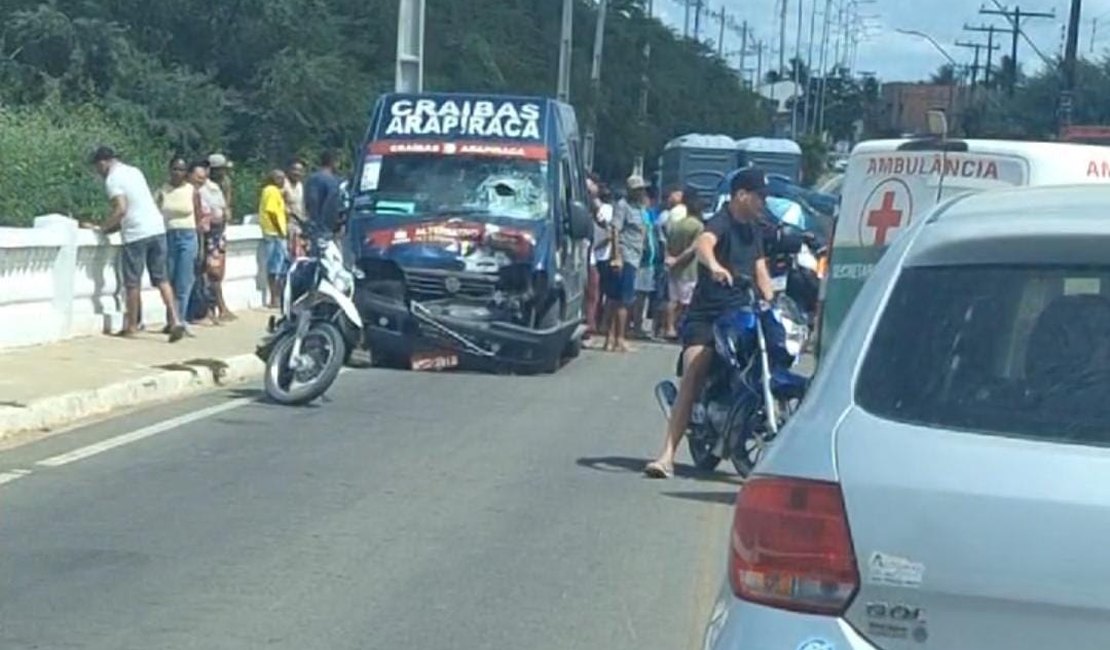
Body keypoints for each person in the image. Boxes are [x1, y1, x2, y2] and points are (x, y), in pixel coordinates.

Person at [644, 168, 776, 479]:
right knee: (695, 369)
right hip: (708, 316)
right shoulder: (721, 221)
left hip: (742, 314)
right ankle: (666, 456)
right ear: (742, 195)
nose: (763, 202)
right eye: (760, 196)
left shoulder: (753, 230)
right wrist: (715, 266)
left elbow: (760, 270)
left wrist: (771, 298)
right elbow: (704, 244)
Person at [87, 146, 186, 342]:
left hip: (136, 234)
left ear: (103, 162)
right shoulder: (134, 171)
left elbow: (121, 210)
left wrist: (102, 229)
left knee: (132, 282)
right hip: (157, 228)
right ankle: (175, 320)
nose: (98, 172)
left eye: (97, 167)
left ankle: (131, 325)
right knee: (162, 279)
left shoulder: (112, 180)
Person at [153, 156, 202, 333]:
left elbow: (198, 219)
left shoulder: (192, 191)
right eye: (174, 169)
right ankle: (171, 319)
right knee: (169, 279)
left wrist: (201, 247)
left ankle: (180, 320)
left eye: (181, 170)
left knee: (184, 280)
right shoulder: (162, 191)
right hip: (167, 236)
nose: (177, 173)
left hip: (188, 236)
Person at [602, 175, 647, 353]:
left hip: (635, 256)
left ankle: (611, 339)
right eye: (638, 189)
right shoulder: (623, 206)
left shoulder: (640, 208)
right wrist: (616, 256)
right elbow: (615, 230)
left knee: (617, 299)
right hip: (625, 256)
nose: (641, 192)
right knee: (622, 300)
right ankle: (619, 339)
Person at [663, 188, 704, 340]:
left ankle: (669, 327)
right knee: (687, 303)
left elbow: (667, 243)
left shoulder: (677, 224)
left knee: (673, 300)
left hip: (674, 268)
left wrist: (671, 259)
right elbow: (693, 248)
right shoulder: (698, 226)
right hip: (689, 269)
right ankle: (681, 328)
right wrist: (678, 259)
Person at [198, 160, 236, 322]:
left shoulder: (219, 186)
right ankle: (212, 308)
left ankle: (216, 307)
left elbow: (225, 209)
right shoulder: (205, 188)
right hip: (209, 234)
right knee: (210, 271)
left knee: (215, 272)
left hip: (217, 233)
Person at [259, 169, 289, 308]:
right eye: (279, 178)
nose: (283, 180)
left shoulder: (272, 191)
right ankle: (274, 298)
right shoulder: (271, 191)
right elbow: (271, 212)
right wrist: (279, 230)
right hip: (273, 233)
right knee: (275, 266)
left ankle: (277, 297)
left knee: (279, 265)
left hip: (274, 232)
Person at [303, 149, 342, 250]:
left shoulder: (311, 179)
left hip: (314, 228)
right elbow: (333, 206)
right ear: (333, 162)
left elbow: (310, 202)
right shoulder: (333, 181)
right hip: (326, 229)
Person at [284, 159, 308, 258]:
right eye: (294, 169)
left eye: (300, 171)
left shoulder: (300, 186)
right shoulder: (283, 184)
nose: (297, 173)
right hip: (287, 225)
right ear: (288, 170)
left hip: (299, 226)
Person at [208, 153, 235, 223]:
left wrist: (227, 210)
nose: (224, 171)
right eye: (222, 169)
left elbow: (227, 197)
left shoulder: (225, 181)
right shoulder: (204, 183)